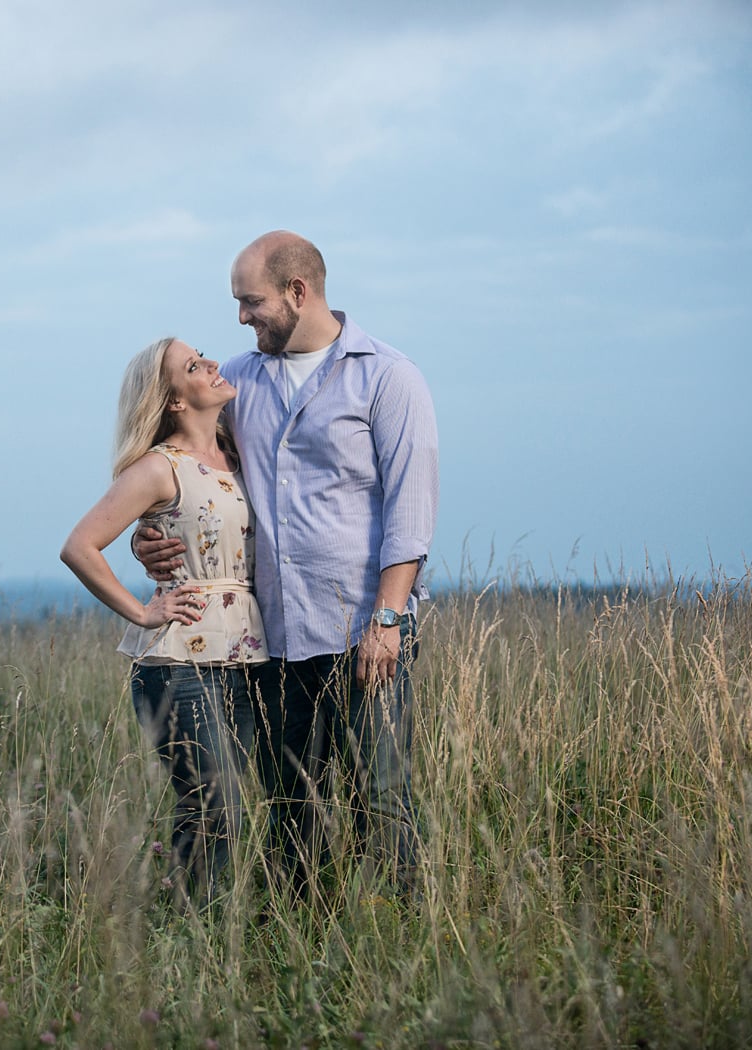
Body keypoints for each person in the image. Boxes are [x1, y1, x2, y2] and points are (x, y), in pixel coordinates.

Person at [135, 232, 438, 897]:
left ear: (297, 293)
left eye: (250, 302)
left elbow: (410, 517)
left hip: (365, 632)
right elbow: (181, 466)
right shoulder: (237, 381)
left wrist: (386, 621)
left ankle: (400, 940)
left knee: (380, 796)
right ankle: (296, 941)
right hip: (271, 639)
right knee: (293, 806)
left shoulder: (388, 376)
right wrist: (145, 534)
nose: (241, 318)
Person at [61, 336, 269, 907]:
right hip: (180, 662)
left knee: (232, 804)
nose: (213, 366)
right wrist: (141, 610)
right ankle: (188, 934)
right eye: (194, 365)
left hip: (249, 655)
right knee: (211, 803)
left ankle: (205, 926)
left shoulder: (240, 450)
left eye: (204, 355)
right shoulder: (158, 467)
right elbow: (80, 546)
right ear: (174, 399)